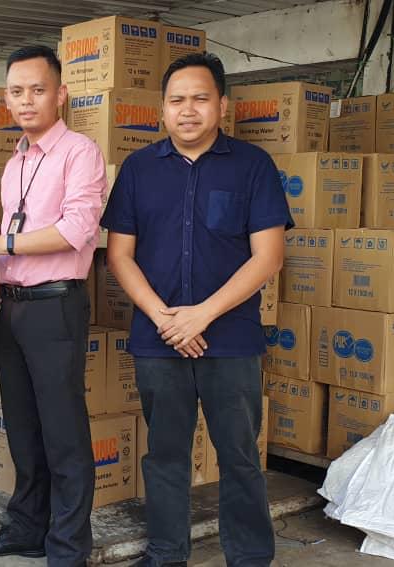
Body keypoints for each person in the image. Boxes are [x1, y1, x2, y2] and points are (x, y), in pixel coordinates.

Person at [100, 53, 291, 567]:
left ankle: (249, 557)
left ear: (222, 105)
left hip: (231, 341)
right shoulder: (139, 170)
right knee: (164, 455)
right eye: (177, 100)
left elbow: (268, 257)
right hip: (158, 339)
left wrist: (201, 315)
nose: (188, 110)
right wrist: (166, 318)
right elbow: (119, 256)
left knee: (240, 455)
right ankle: (166, 554)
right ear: (162, 108)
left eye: (200, 99)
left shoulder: (253, 166)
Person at [0, 46, 106, 567]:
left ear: (60, 94)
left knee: (63, 431)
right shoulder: (14, 162)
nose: (26, 100)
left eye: (38, 90)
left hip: (54, 306)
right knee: (21, 426)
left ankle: (68, 548)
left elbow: (77, 229)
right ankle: (27, 528)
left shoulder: (80, 152)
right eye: (16, 91)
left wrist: (2, 245)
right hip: (13, 307)